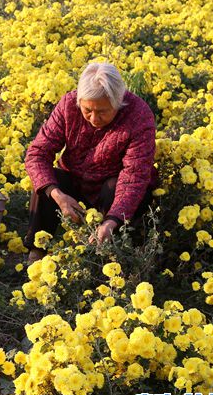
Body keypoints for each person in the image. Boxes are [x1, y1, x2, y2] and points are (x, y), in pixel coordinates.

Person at [24, 62, 157, 262]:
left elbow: (134, 176)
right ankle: (37, 251)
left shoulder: (138, 115)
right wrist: (58, 195)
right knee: (49, 181)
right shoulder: (69, 104)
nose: (94, 118)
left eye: (103, 111)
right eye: (87, 110)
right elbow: (38, 154)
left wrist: (112, 221)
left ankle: (104, 257)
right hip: (75, 182)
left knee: (116, 187)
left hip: (112, 190)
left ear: (118, 101)